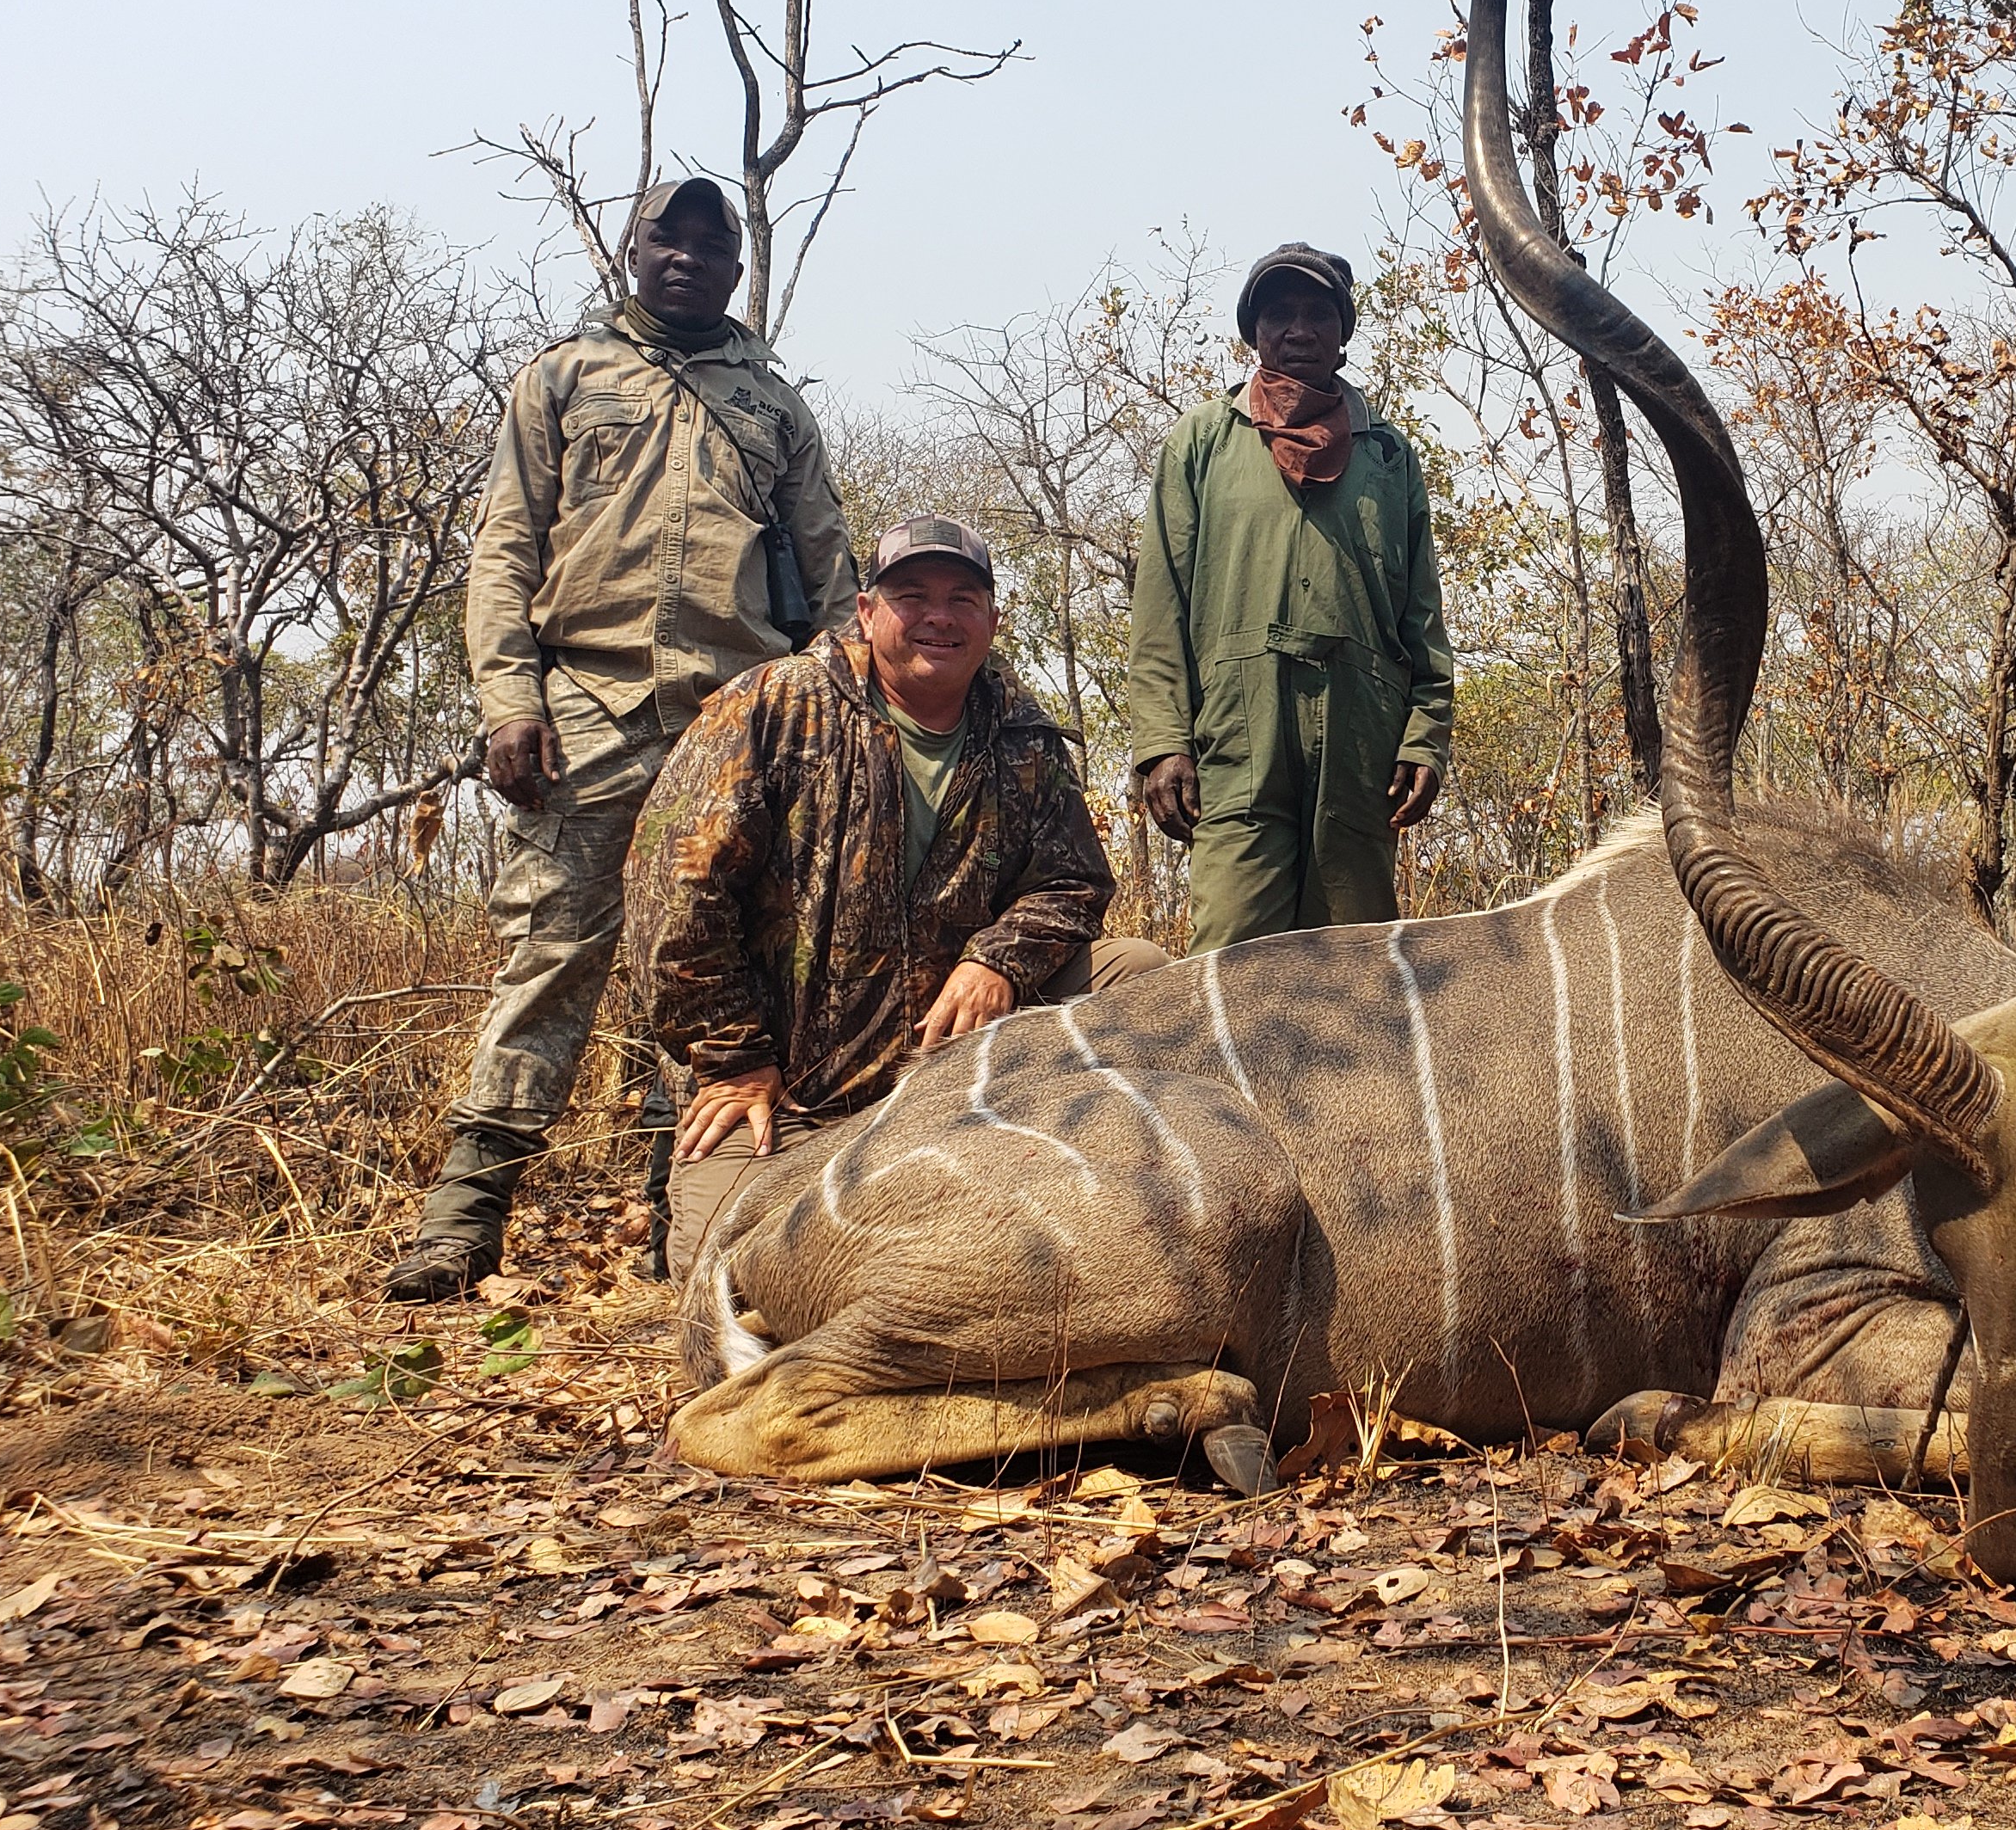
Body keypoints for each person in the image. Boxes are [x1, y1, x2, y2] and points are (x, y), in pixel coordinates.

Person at [387, 175, 857, 1305]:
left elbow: (832, 568)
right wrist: (510, 700)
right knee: (551, 951)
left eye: (713, 242)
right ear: (631, 250)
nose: (689, 257)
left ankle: (677, 1227)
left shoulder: (775, 406)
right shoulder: (562, 378)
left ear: (738, 266)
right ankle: (465, 1217)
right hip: (588, 707)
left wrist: (844, 720)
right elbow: (504, 548)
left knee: (715, 973)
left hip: (738, 725)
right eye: (668, 237)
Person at [641, 513, 1169, 1269]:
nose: (938, 617)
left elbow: (1074, 881)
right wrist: (731, 1060)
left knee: (1138, 974)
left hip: (946, 1079)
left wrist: (999, 962)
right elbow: (676, 899)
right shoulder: (772, 706)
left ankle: (1091, 1174)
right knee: (735, 1282)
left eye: (962, 598)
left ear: (992, 618)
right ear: (866, 612)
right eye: (911, 595)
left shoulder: (1020, 731)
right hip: (783, 1088)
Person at [1124, 242, 1454, 949]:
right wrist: (1160, 742)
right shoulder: (1203, 441)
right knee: (1227, 967)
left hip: (1361, 743)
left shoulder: (1388, 456)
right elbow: (1161, 608)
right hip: (1237, 735)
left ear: (1342, 333)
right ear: (1254, 331)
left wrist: (1424, 741)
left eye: (1317, 313)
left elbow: (1421, 621)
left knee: (1359, 975)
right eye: (1279, 313)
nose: (1298, 329)